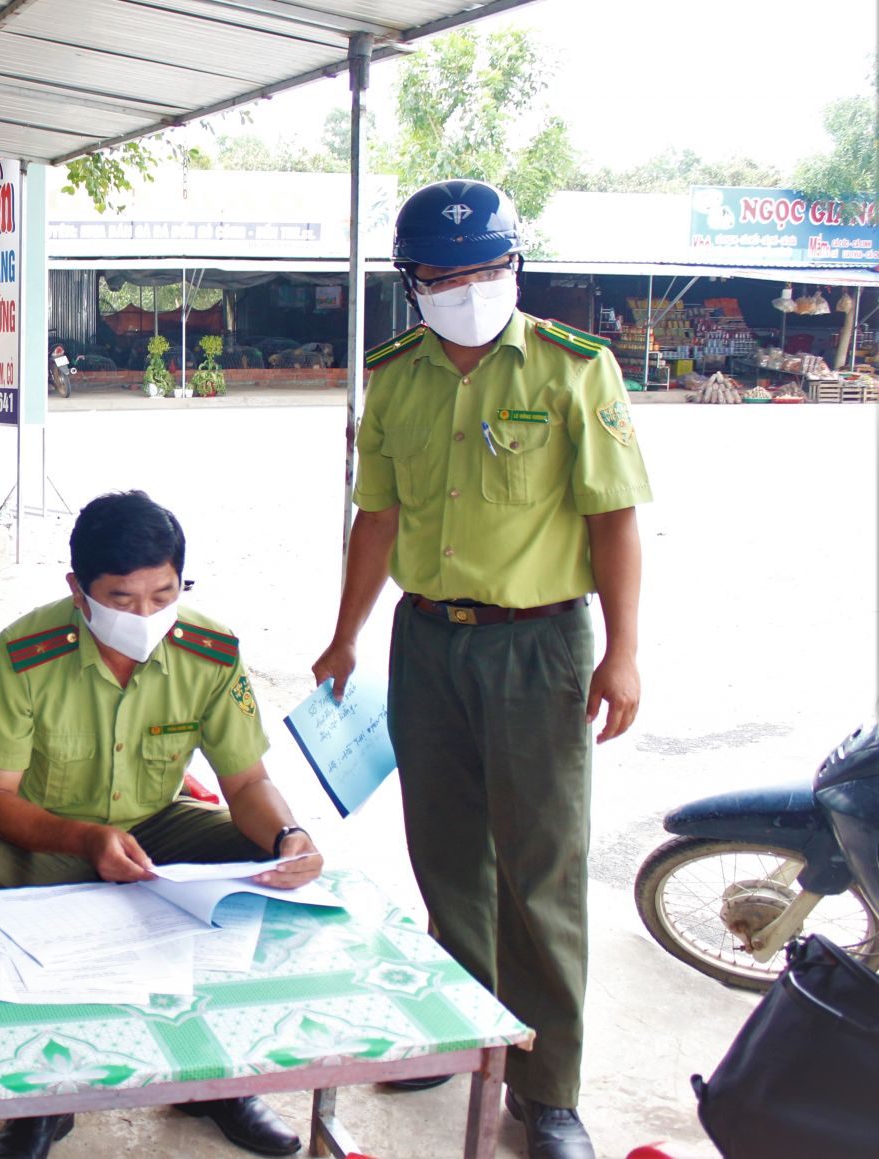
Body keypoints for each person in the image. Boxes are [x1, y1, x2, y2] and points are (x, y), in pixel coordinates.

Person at [311, 179, 650, 1159]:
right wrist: (345, 635)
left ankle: (546, 1089)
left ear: (513, 266)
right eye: (443, 274)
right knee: (447, 852)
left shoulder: (572, 368)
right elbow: (375, 515)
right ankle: (461, 1020)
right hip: (427, 641)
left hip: (536, 645)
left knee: (541, 868)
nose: (465, 288)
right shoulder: (397, 375)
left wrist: (622, 653)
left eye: (484, 269)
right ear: (411, 281)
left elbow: (614, 517)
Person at [0, 490, 322, 1159]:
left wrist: (288, 837)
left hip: (157, 823)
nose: (145, 615)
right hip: (54, 833)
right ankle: (39, 1098)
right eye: (121, 598)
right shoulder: (22, 652)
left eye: (163, 594)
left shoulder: (211, 650)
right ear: (78, 590)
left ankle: (218, 1079)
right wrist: (85, 838)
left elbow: (247, 783)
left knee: (260, 861)